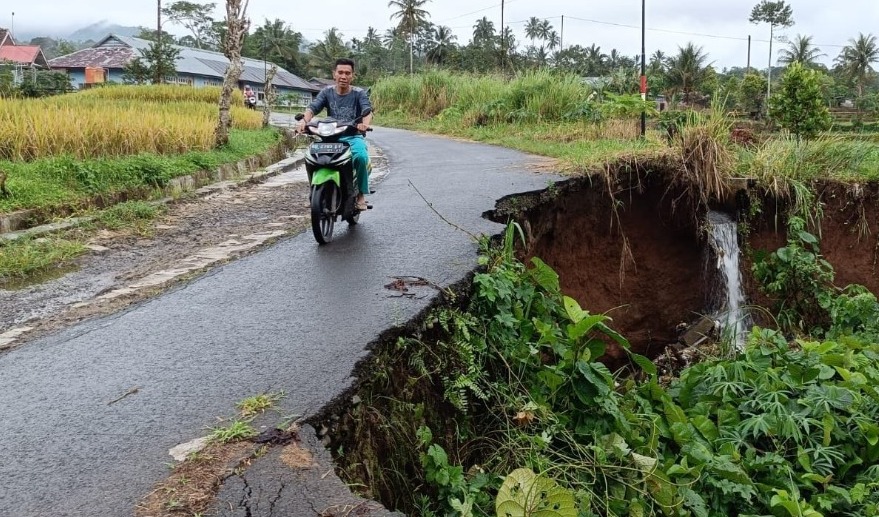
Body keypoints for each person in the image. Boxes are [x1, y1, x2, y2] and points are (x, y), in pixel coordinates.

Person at [297, 58, 373, 210]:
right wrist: (303, 122)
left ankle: (361, 195)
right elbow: (313, 108)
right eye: (340, 72)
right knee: (310, 156)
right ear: (334, 74)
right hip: (329, 137)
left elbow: (367, 110)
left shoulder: (359, 93)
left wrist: (365, 124)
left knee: (361, 157)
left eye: (347, 73)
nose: (343, 76)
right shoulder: (326, 92)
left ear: (352, 76)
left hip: (352, 135)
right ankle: (314, 190)